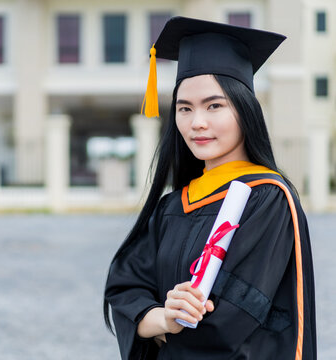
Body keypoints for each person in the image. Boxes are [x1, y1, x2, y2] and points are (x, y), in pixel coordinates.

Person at [104, 16, 316, 359]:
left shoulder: (267, 199)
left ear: (245, 109)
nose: (196, 122)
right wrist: (164, 319)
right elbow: (124, 289)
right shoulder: (173, 206)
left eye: (214, 105)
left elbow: (229, 321)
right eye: (184, 108)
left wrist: (166, 328)